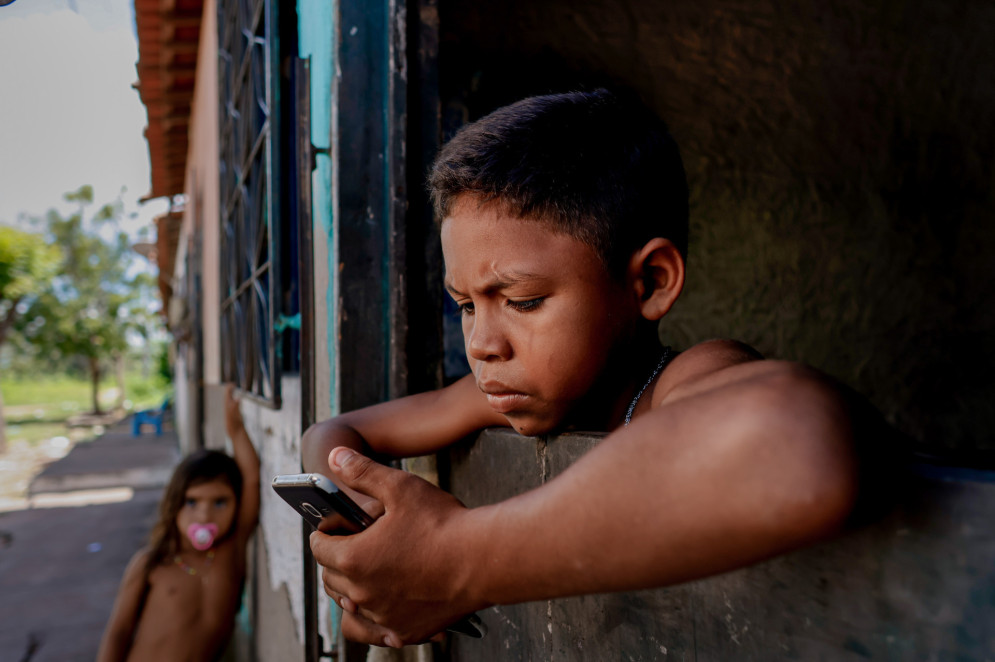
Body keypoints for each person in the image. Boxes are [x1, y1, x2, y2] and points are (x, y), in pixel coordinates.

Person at [303, 88, 879, 649]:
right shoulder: (502, 392)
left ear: (650, 282)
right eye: (465, 306)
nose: (482, 344)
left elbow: (792, 436)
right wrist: (369, 539)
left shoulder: (687, 379)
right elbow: (331, 437)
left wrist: (451, 559)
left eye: (523, 302)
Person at [98, 385, 260, 662]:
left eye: (220, 502)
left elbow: (252, 479)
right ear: (173, 505)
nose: (204, 516)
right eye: (191, 502)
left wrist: (236, 430)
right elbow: (118, 633)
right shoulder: (152, 563)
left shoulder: (231, 552)